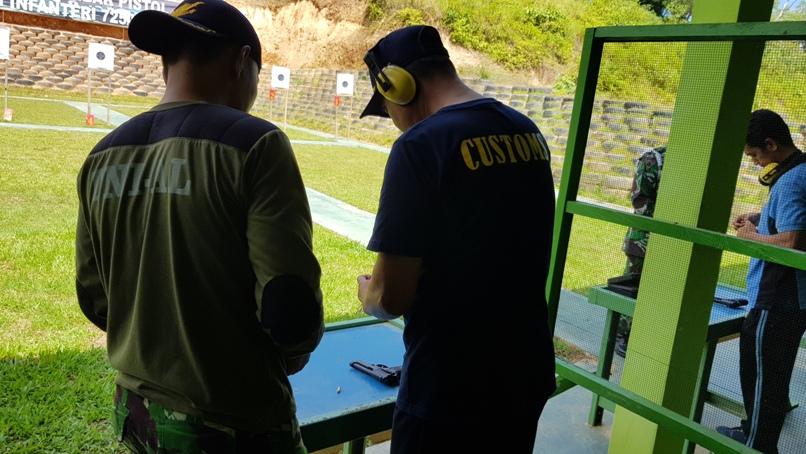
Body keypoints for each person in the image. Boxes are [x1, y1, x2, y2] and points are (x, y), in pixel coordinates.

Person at [75, 1, 323, 452]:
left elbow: (93, 297)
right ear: (242, 61)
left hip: (135, 410)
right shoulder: (257, 143)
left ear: (166, 66)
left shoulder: (101, 155)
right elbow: (289, 304)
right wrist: (294, 349)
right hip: (233, 420)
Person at [355, 25, 557, 453]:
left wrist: (368, 295)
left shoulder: (421, 145)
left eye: (385, 104)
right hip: (525, 376)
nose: (393, 120)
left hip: (448, 390)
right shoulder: (526, 131)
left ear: (397, 85)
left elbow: (391, 298)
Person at [716, 109, 806, 453]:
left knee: (760, 376)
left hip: (775, 298)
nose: (754, 163)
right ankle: (754, 432)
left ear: (770, 144)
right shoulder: (801, 170)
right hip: (795, 299)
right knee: (773, 374)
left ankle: (756, 444)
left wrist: (752, 236)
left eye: (754, 155)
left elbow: (792, 241)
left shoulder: (792, 180)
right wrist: (762, 217)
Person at [615, 145, 666, 358]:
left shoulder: (693, 162)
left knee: (659, 290)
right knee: (634, 287)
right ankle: (622, 334)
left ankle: (646, 334)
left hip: (669, 241)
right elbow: (639, 202)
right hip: (644, 238)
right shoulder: (652, 159)